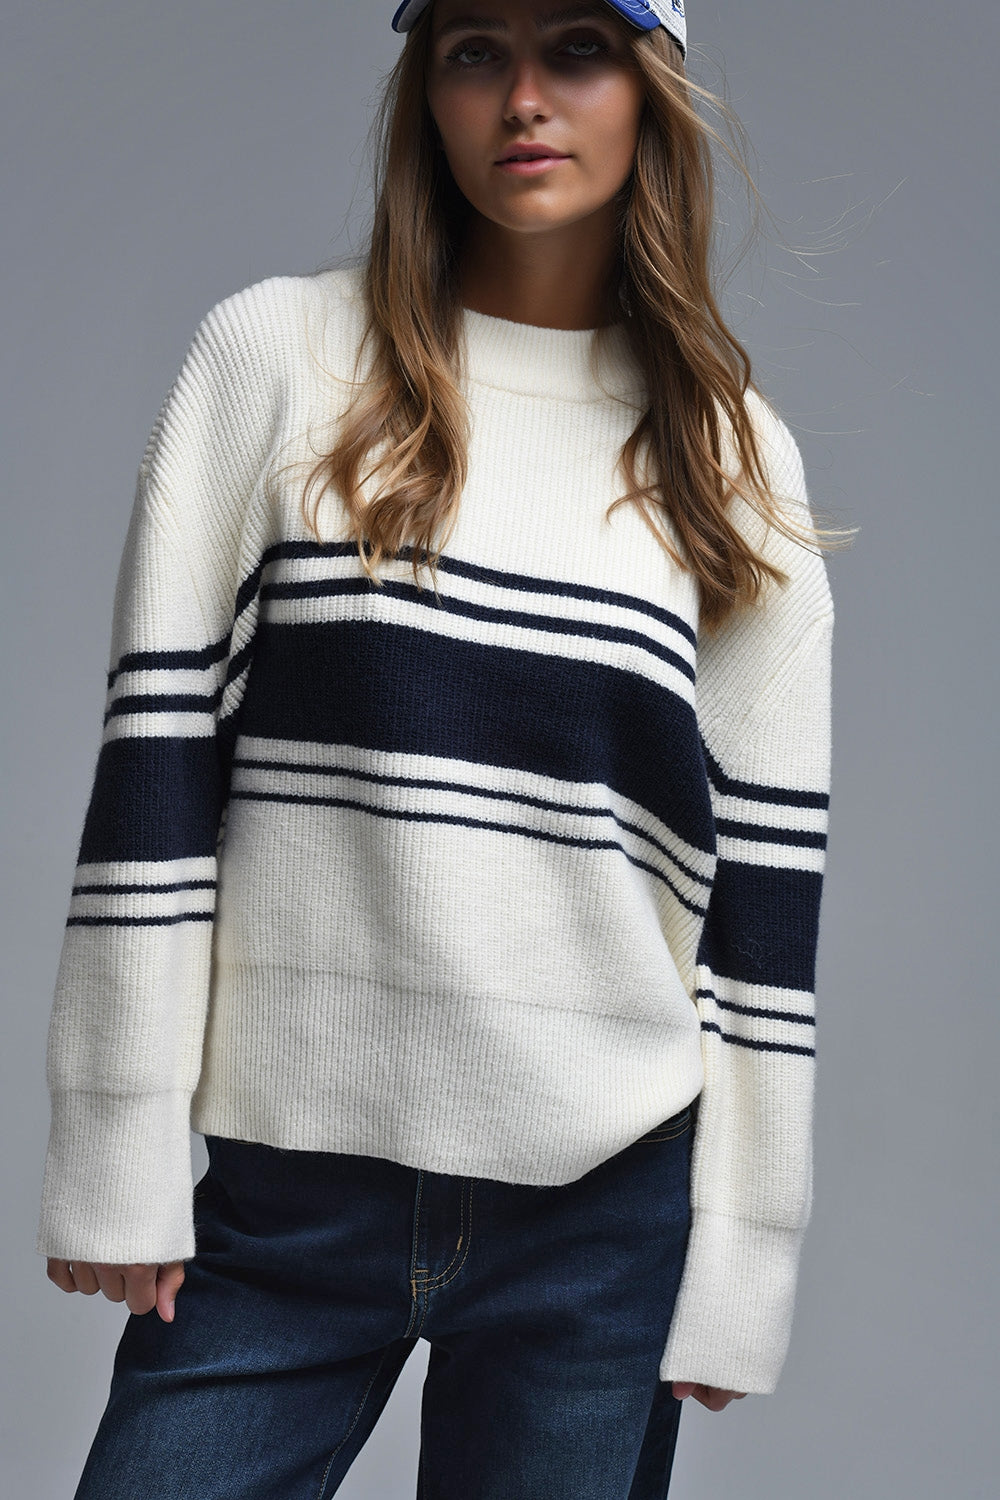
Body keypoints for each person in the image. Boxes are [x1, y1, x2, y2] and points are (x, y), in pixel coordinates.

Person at [37, 1, 841, 1495]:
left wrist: (746, 1251)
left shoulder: (733, 461)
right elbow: (158, 772)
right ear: (426, 87)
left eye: (578, 48)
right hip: (290, 1195)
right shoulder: (275, 360)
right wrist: (116, 1145)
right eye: (476, 49)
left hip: (601, 1222)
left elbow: (764, 909)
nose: (524, 97)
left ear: (653, 88)